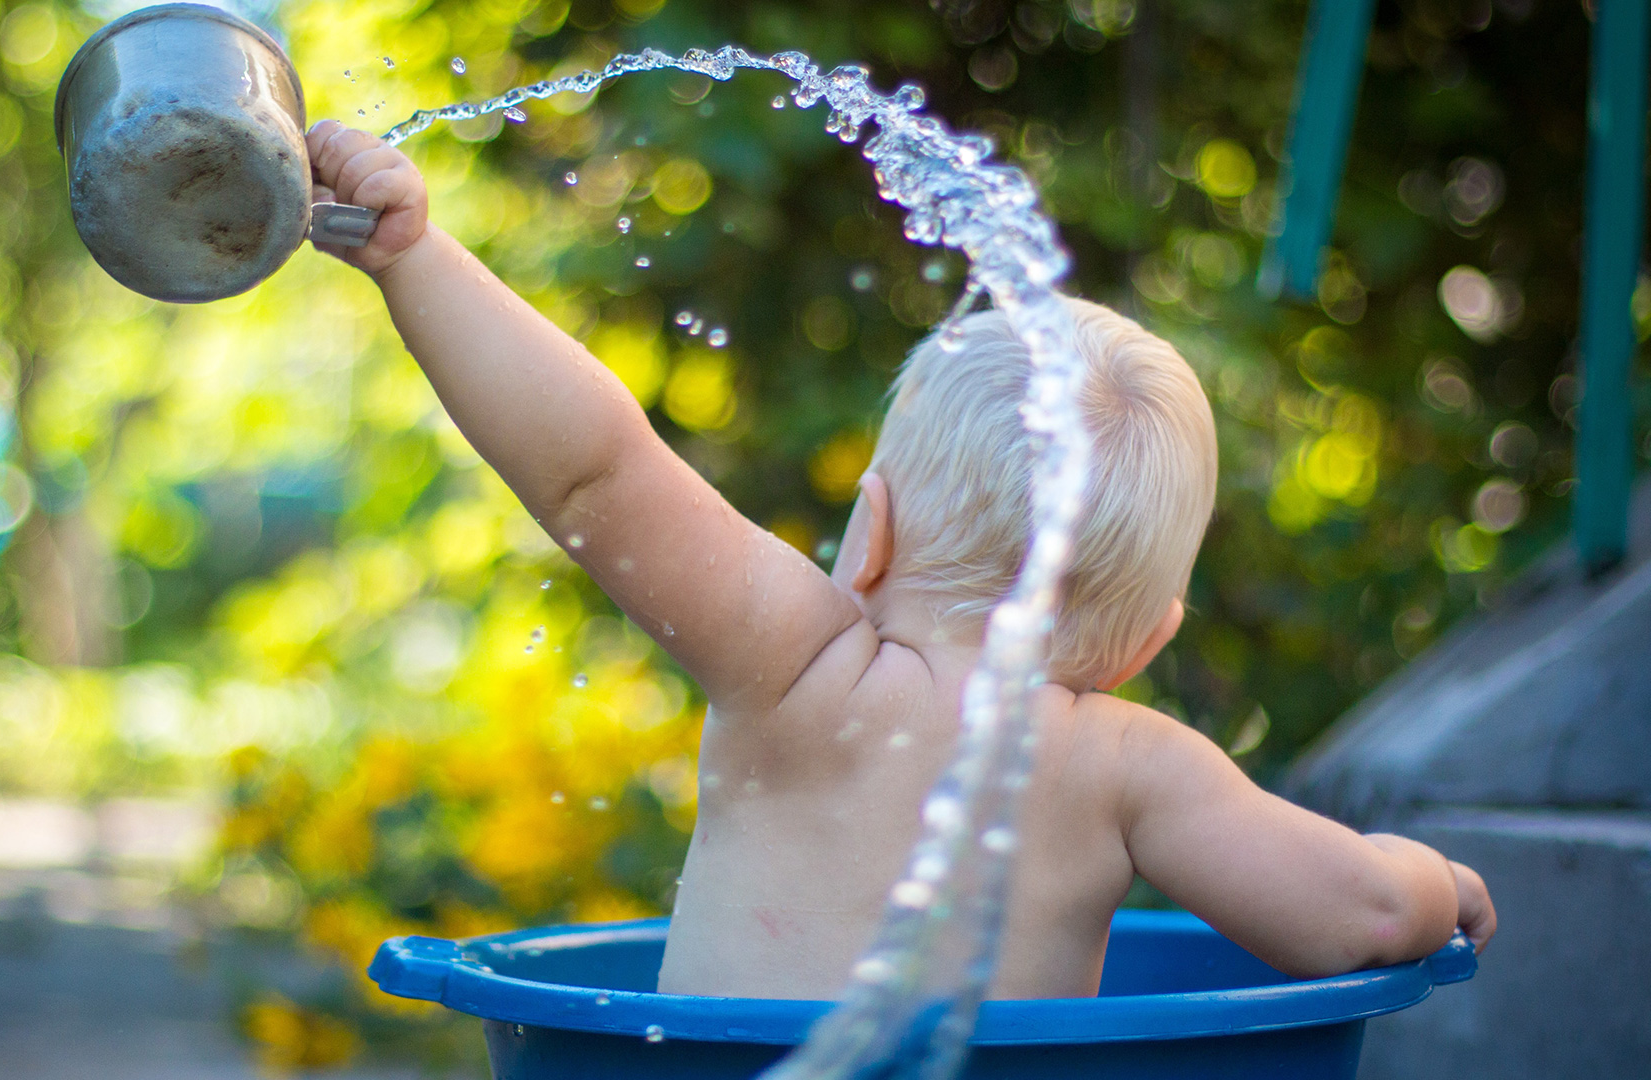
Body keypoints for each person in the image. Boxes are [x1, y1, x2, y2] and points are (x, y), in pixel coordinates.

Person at [303, 120, 1496, 1000]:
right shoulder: (1130, 768)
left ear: (865, 533)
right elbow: (1363, 915)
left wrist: (414, 254)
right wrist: (1438, 882)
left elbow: (596, 472)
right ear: (1147, 642)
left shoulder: (797, 671)